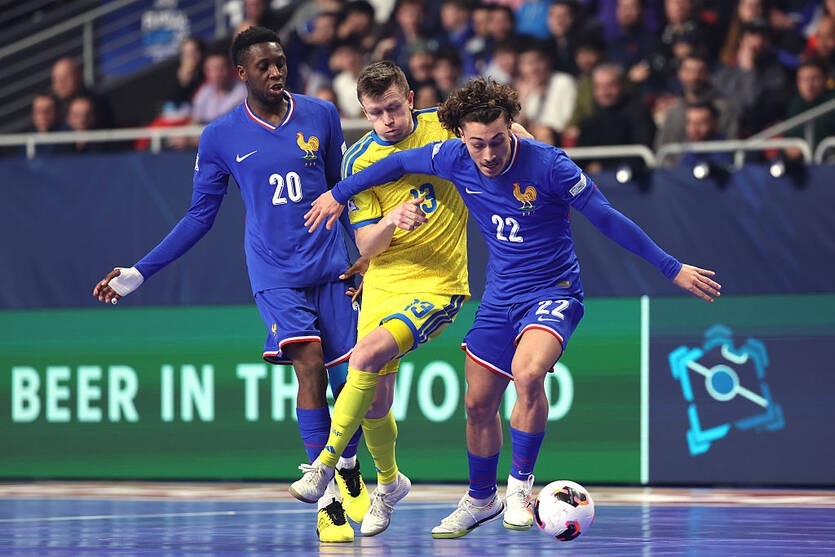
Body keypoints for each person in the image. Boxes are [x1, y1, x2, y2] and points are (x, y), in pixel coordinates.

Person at [301, 76, 721, 539]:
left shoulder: (550, 165)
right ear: (462, 137)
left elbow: (608, 218)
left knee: (527, 372)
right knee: (477, 404)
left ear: (511, 127)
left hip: (553, 291)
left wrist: (671, 268)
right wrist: (338, 194)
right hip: (500, 298)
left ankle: (520, 487)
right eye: (477, 144)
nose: (488, 154)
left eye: (497, 140)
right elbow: (396, 162)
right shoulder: (453, 157)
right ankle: (481, 499)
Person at [91, 26, 368, 544]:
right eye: (265, 65)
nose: (277, 71)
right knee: (308, 365)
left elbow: (343, 192)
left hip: (331, 267)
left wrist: (364, 258)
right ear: (242, 73)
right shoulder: (220, 136)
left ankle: (348, 463)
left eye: (280, 62)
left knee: (349, 382)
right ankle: (327, 499)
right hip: (276, 275)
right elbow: (199, 216)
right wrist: (139, 272)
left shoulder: (322, 114)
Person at [288, 59, 472, 537]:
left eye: (393, 107)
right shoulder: (358, 161)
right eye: (375, 113)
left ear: (410, 98)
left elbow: (503, 133)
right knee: (375, 402)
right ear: (364, 113)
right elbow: (366, 244)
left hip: (437, 282)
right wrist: (392, 219)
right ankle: (390, 485)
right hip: (384, 283)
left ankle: (325, 465)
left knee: (363, 358)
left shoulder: (445, 126)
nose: (387, 120)